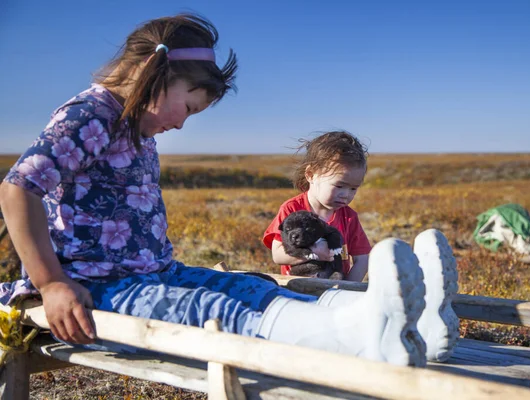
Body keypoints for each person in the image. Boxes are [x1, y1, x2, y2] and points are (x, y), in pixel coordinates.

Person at [0, 13, 456, 366]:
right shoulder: (91, 115)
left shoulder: (138, 130)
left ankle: (413, 323)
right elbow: (19, 189)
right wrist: (52, 283)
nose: (180, 122)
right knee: (211, 309)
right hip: (96, 289)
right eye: (186, 106)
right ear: (149, 72)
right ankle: (363, 336)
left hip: (158, 272)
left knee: (249, 288)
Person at [263, 131, 372, 282]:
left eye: (353, 188)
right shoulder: (291, 209)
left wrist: (346, 289)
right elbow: (278, 254)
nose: (346, 194)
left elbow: (362, 260)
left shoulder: (349, 217)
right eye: (339, 186)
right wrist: (314, 253)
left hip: (335, 291)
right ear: (311, 175)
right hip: (297, 289)